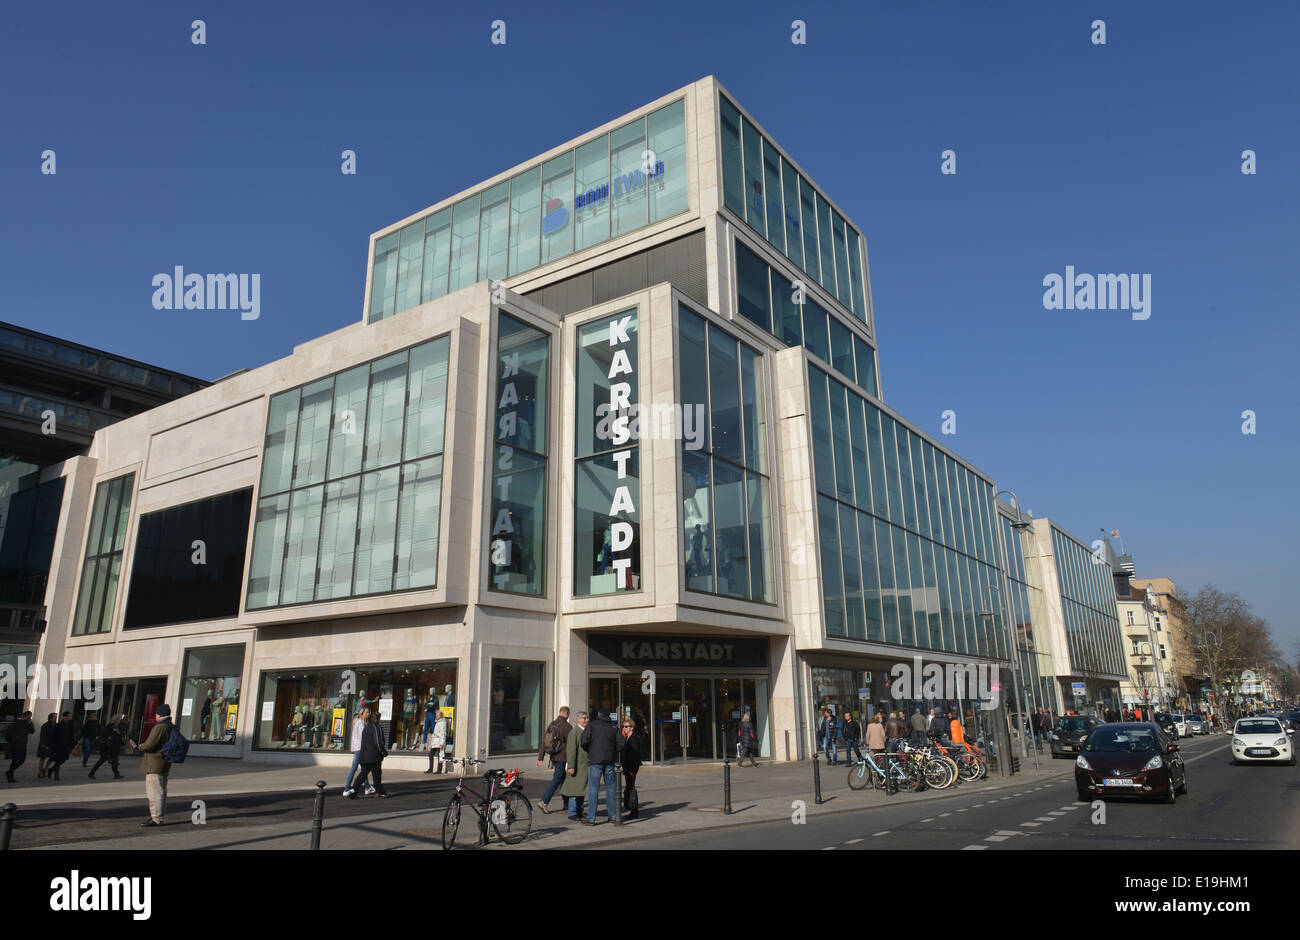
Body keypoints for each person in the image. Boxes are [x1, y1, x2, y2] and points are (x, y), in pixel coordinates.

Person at [133, 703, 175, 827]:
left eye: (156, 714)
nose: (155, 715)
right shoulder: (170, 726)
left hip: (155, 763)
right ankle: (158, 815)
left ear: (160, 715)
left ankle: (156, 818)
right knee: (161, 790)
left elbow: (149, 744)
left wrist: (139, 746)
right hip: (163, 762)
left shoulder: (160, 727)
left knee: (155, 792)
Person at [580, 706, 622, 825]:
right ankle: (613, 816)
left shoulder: (592, 725)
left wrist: (590, 750)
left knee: (594, 789)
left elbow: (584, 741)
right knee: (611, 788)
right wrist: (614, 751)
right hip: (609, 760)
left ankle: (591, 818)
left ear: (599, 715)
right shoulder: (613, 727)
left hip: (595, 760)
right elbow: (621, 743)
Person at [536, 706, 572, 813]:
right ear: (567, 714)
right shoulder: (567, 726)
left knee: (562, 780)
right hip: (562, 757)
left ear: (560, 713)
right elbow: (572, 744)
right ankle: (544, 801)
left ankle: (567, 804)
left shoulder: (552, 724)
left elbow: (545, 741)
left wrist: (540, 757)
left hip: (553, 756)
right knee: (557, 778)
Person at [346, 709, 388, 798]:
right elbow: (378, 741)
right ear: (378, 719)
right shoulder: (376, 727)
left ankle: (353, 790)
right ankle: (381, 792)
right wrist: (383, 752)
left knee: (363, 774)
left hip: (364, 755)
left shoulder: (366, 727)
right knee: (376, 775)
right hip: (374, 756)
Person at [561, 711, 590, 820]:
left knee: (581, 790)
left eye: (587, 718)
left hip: (584, 766)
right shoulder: (574, 732)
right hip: (577, 766)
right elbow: (571, 750)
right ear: (578, 719)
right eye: (583, 718)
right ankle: (572, 812)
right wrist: (571, 766)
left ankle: (580, 811)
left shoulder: (587, 731)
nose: (586, 720)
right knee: (574, 790)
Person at [344, 706, 374, 794]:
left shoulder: (359, 721)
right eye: (366, 712)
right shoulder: (360, 723)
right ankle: (346, 789)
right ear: (362, 713)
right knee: (355, 768)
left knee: (363, 769)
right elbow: (363, 736)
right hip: (360, 748)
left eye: (369, 713)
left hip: (358, 748)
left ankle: (367, 787)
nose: (368, 714)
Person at [619, 714, 645, 817]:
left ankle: (634, 810)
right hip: (628, 767)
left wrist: (629, 769)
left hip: (631, 767)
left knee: (631, 788)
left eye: (626, 726)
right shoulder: (627, 738)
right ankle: (632, 809)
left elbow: (634, 755)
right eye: (623, 726)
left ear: (631, 727)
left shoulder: (634, 738)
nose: (624, 729)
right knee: (630, 787)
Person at [4, 711, 35, 782]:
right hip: (15, 745)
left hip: (23, 745)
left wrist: (30, 723)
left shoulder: (28, 724)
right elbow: (8, 732)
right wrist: (14, 737)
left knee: (22, 760)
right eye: (29, 717)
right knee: (14, 761)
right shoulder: (17, 722)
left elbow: (32, 731)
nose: (29, 718)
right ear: (24, 716)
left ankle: (9, 772)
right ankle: (10, 775)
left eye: (30, 717)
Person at [47, 711, 74, 781]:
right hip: (58, 746)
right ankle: (56, 775)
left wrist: (72, 744)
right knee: (58, 760)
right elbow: (53, 736)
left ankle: (51, 770)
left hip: (66, 746)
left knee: (62, 760)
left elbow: (71, 735)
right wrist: (52, 745)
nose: (70, 717)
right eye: (69, 716)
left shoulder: (70, 725)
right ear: (65, 717)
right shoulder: (59, 725)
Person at [36, 712, 56, 779]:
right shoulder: (46, 725)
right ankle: (40, 772)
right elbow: (43, 736)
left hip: (52, 744)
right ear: (50, 718)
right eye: (54, 717)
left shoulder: (56, 725)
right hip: (45, 744)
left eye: (56, 717)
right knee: (43, 758)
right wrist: (43, 744)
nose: (56, 718)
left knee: (52, 758)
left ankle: (45, 769)